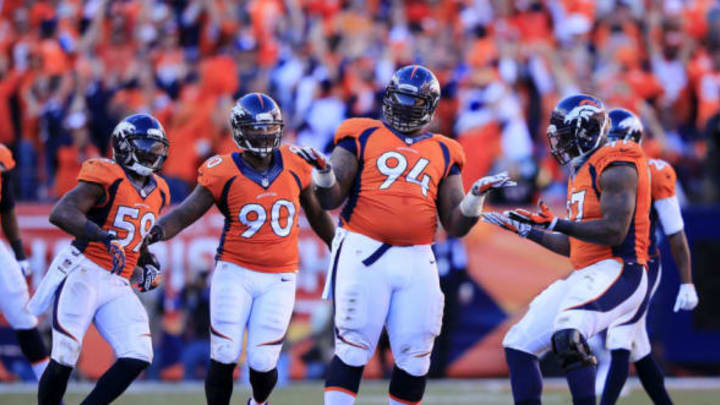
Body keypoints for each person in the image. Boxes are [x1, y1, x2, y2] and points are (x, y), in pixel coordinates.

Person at [293, 65, 514, 405]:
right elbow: (329, 199)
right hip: (364, 250)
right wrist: (323, 174)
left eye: (415, 100)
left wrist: (475, 197)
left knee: (416, 352)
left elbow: (456, 224)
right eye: (402, 97)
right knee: (353, 346)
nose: (407, 106)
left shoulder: (445, 149)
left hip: (417, 257)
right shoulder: (360, 132)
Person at [144, 93, 336, 405]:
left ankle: (258, 403)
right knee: (225, 353)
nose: (263, 134)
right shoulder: (221, 170)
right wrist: (155, 231)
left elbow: (317, 214)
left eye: (268, 127)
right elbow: (185, 213)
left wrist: (341, 248)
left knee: (263, 362)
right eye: (255, 128)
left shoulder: (295, 162)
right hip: (235, 272)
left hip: (280, 276)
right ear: (239, 130)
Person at [483, 94, 652, 405]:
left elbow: (615, 232)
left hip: (622, 269)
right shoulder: (579, 169)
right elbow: (573, 245)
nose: (558, 143)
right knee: (518, 344)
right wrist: (526, 230)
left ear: (586, 130)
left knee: (569, 334)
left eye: (564, 135)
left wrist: (557, 223)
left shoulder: (617, 162)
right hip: (588, 271)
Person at [34, 114, 169, 405]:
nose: (152, 152)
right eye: (144, 144)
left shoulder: (160, 190)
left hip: (118, 281)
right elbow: (62, 212)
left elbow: (137, 237)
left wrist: (147, 261)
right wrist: (102, 236)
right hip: (84, 269)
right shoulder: (107, 174)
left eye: (155, 146)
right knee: (64, 355)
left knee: (138, 353)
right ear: (124, 146)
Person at [591, 108, 698, 405]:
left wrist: (687, 282)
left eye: (612, 139)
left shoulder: (655, 172)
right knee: (641, 350)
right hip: (614, 265)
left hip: (643, 265)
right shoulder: (597, 170)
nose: (607, 146)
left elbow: (676, 232)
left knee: (620, 339)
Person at [0, 143, 54, 381]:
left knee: (22, 312)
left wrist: (20, 254)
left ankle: (48, 387)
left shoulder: (2, 157)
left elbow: (7, 207)